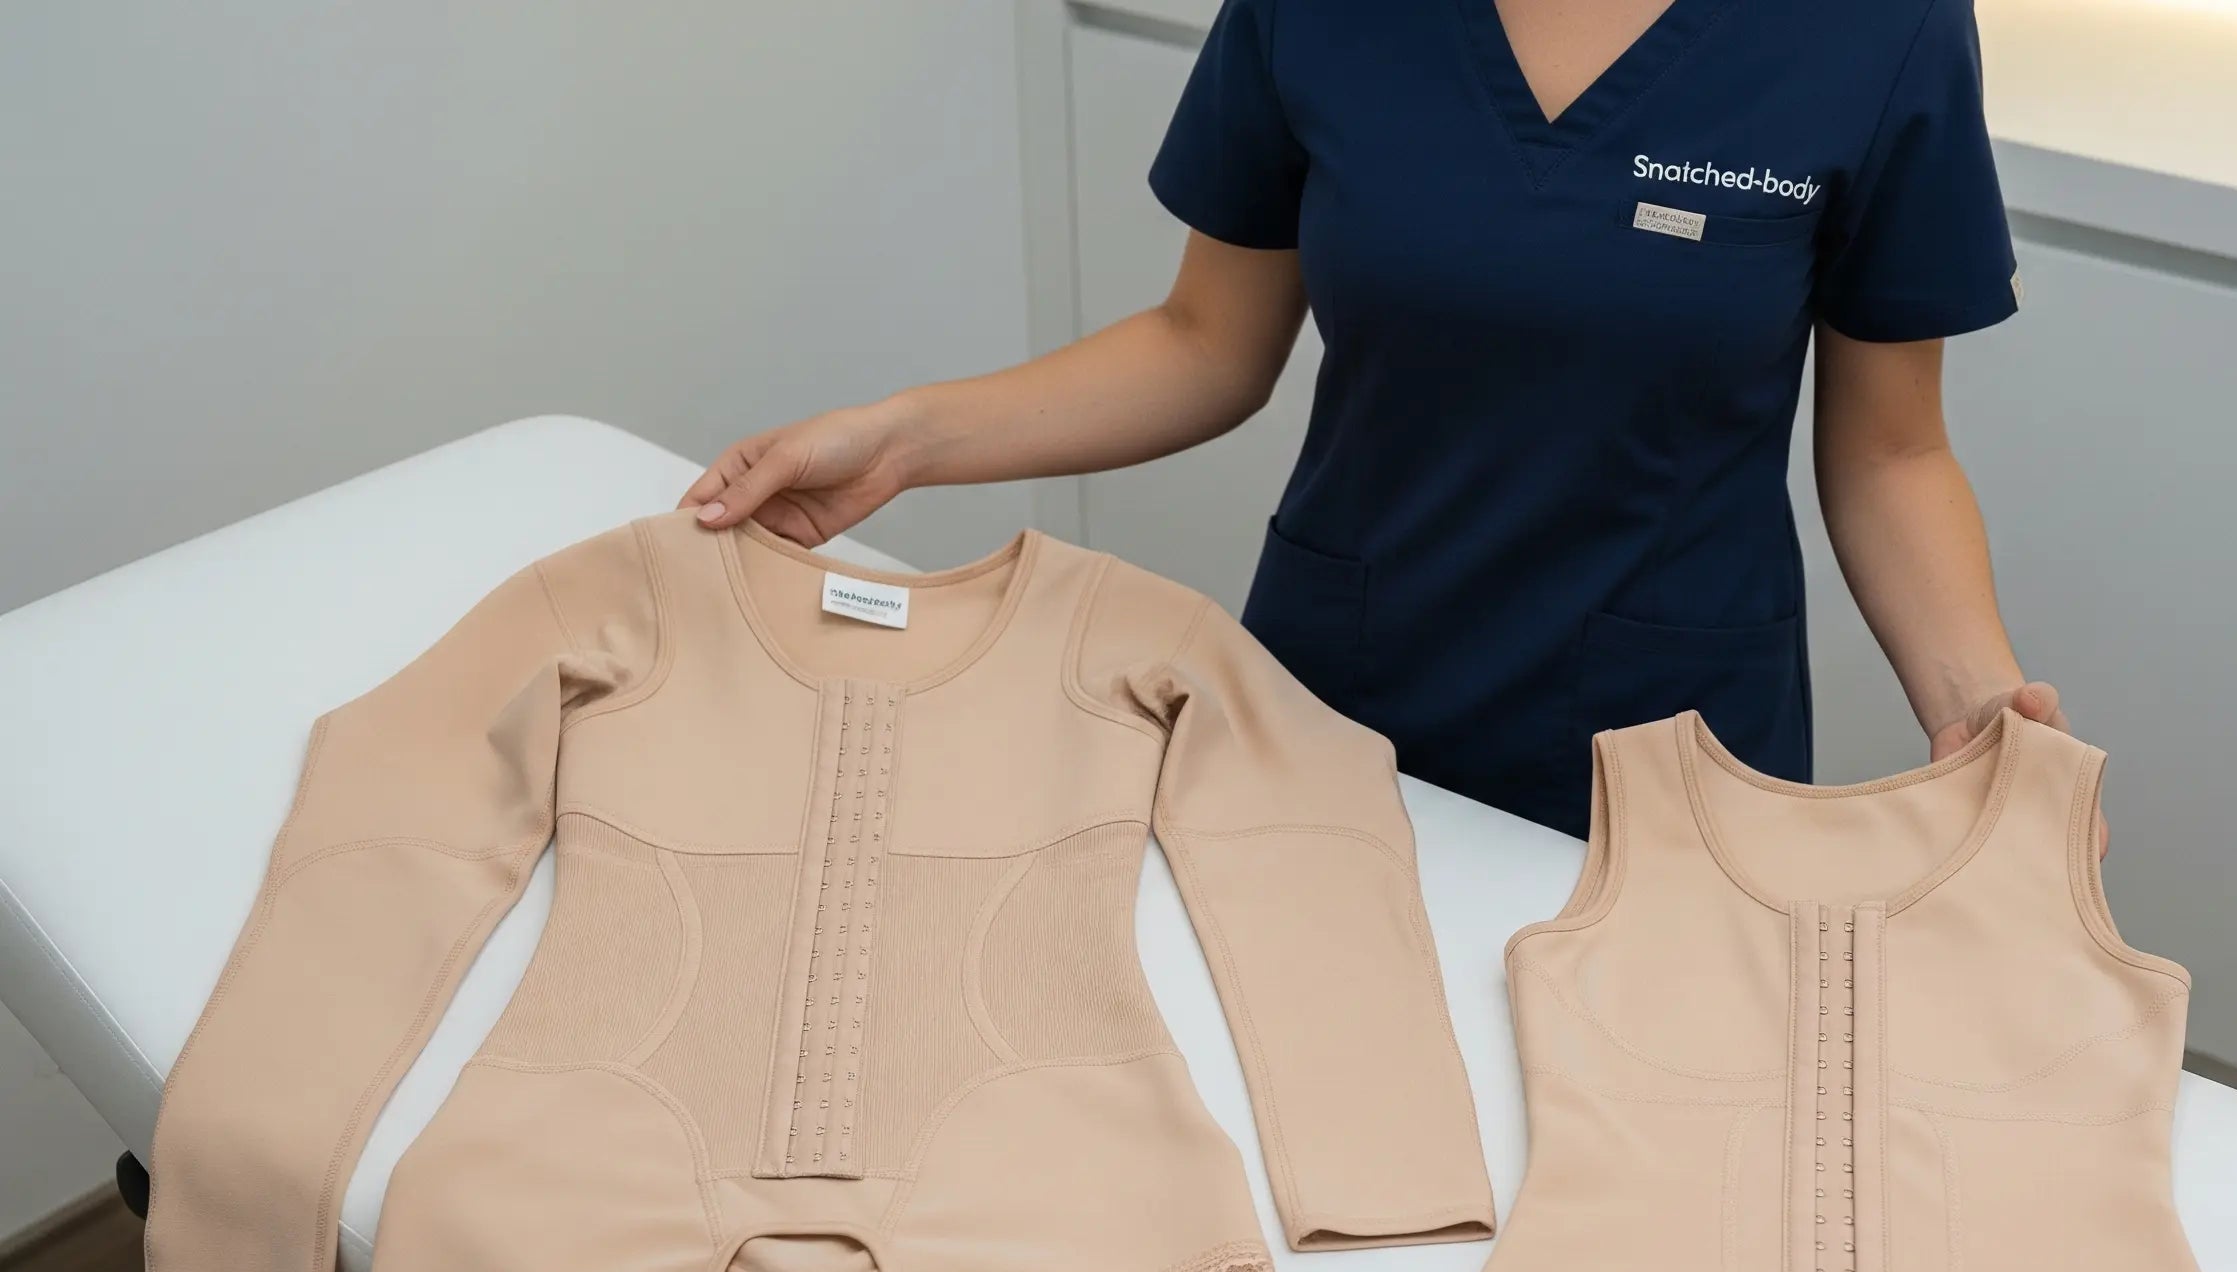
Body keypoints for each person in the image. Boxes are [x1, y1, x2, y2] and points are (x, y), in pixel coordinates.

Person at [685, 0, 2090, 842]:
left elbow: (1892, 449)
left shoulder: (1873, 30)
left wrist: (1975, 705)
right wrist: (905, 439)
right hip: (1329, 704)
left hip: (1666, 754)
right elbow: (1204, 342)